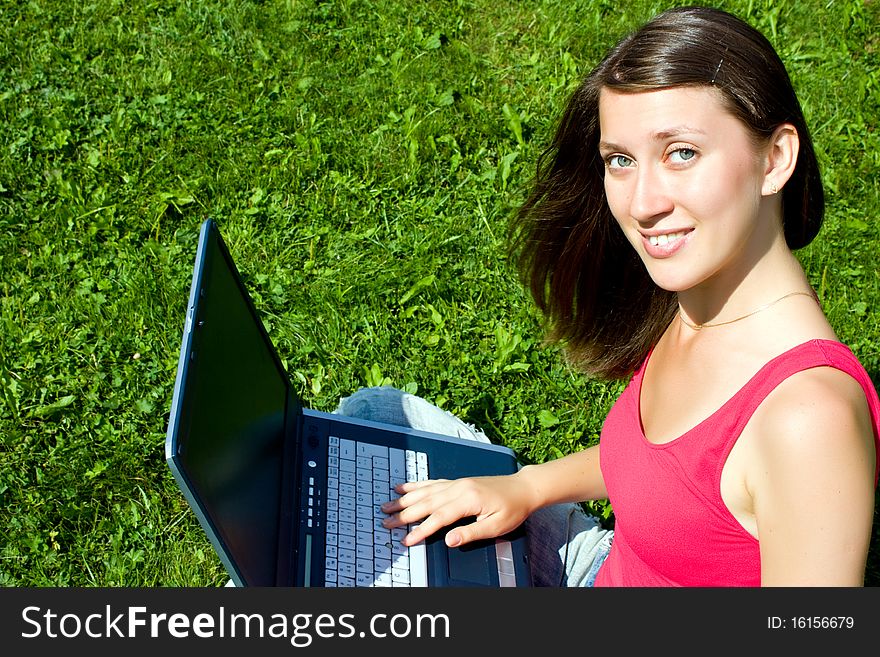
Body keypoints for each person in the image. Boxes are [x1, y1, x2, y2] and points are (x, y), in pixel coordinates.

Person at [335, 5, 880, 586]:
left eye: (682, 153)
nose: (642, 203)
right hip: (602, 567)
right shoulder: (703, 304)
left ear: (775, 159)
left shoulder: (807, 419)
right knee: (371, 417)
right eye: (620, 160)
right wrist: (525, 486)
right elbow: (659, 474)